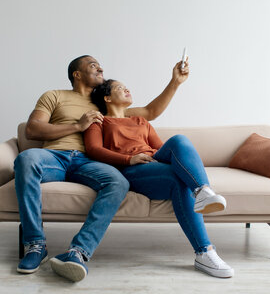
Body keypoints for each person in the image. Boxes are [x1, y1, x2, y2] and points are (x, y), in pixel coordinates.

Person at [14, 55, 188, 282]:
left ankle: (78, 252)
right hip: (54, 156)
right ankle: (36, 245)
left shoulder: (105, 104)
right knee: (26, 158)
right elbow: (33, 130)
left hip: (89, 162)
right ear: (77, 74)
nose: (101, 68)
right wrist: (78, 125)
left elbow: (150, 111)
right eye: (93, 65)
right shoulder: (54, 96)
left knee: (118, 182)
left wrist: (175, 82)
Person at [84, 79, 234, 278]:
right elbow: (94, 150)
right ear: (107, 97)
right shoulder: (99, 121)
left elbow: (162, 148)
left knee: (179, 140)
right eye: (120, 87)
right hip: (130, 169)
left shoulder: (141, 121)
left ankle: (202, 191)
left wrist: (157, 158)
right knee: (178, 180)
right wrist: (130, 159)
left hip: (153, 161)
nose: (127, 88)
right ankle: (205, 251)